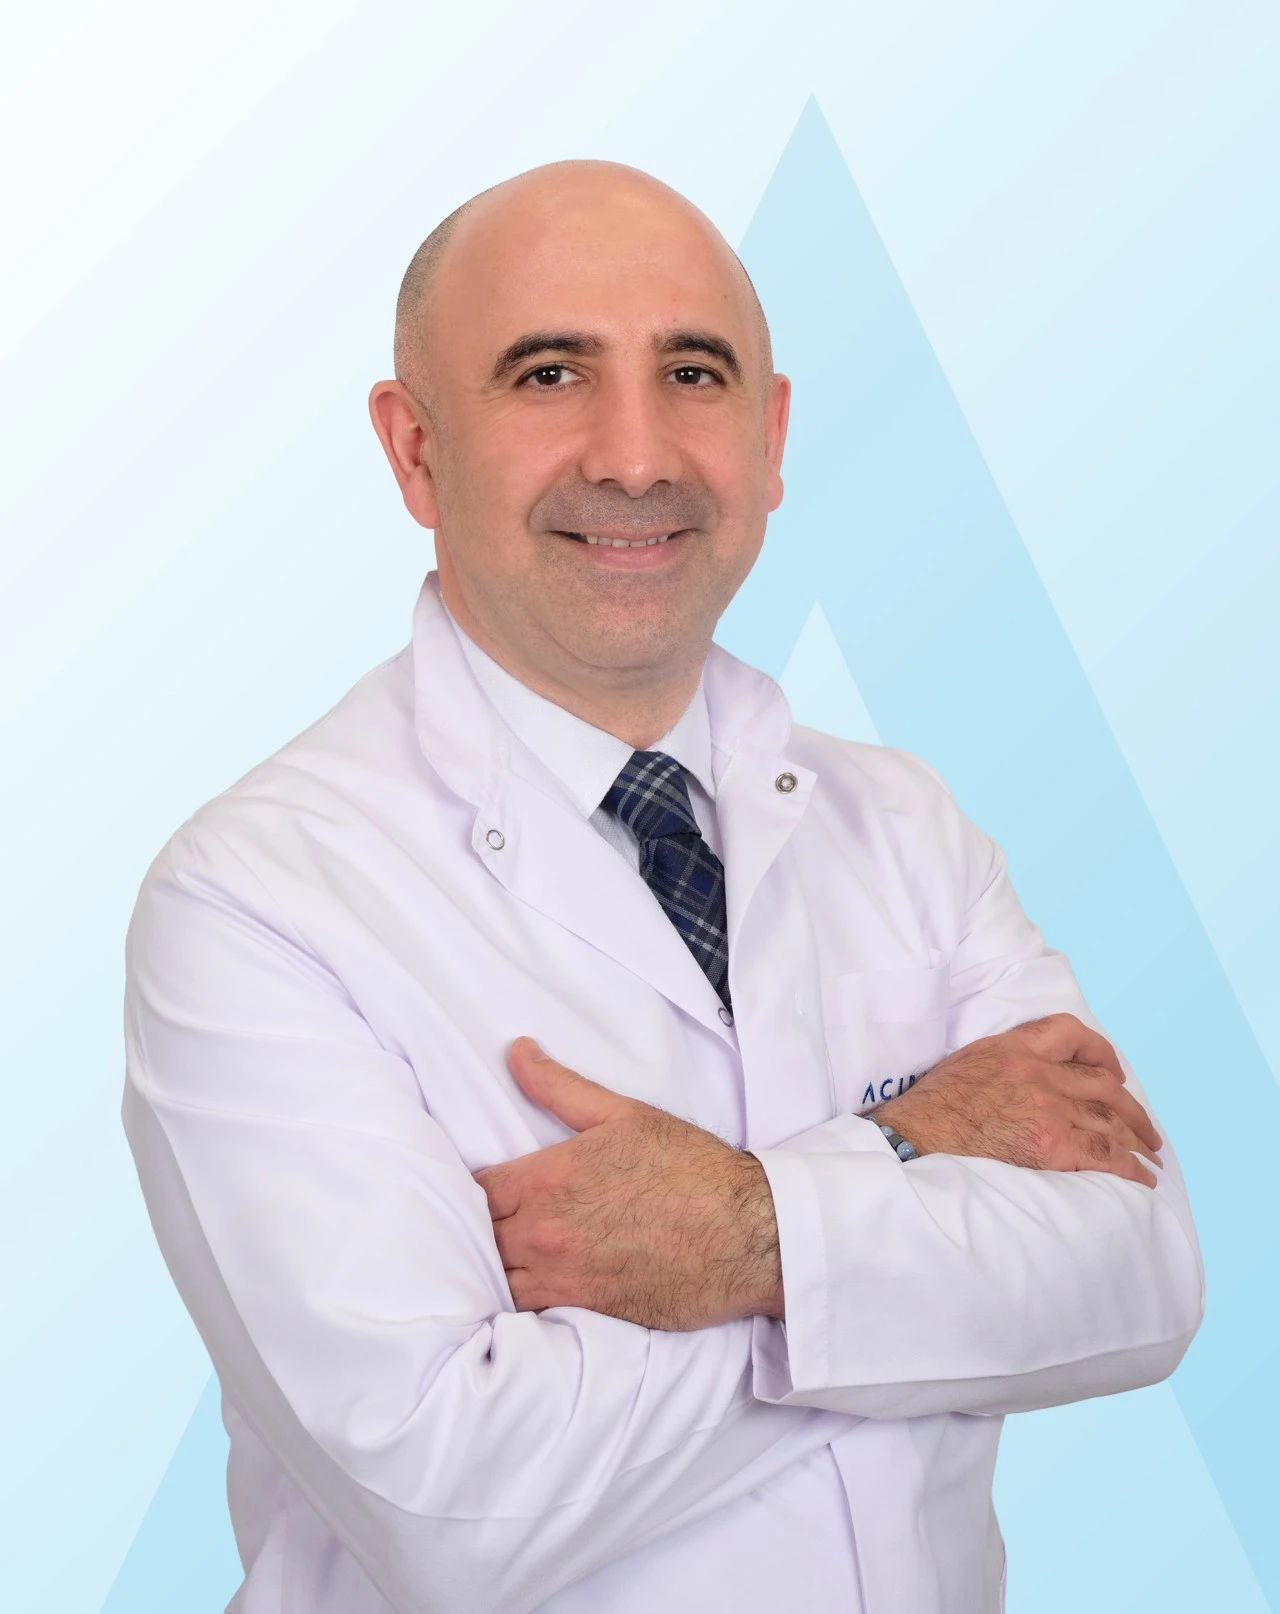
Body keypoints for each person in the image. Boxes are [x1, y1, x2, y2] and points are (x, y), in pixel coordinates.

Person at [122, 160, 1203, 1614]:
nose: (635, 457)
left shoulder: (906, 824)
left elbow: (1141, 1278)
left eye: (692, 374)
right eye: (549, 373)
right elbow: (453, 1497)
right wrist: (909, 1179)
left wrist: (745, 1234)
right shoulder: (256, 897)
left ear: (770, 437)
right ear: (416, 450)